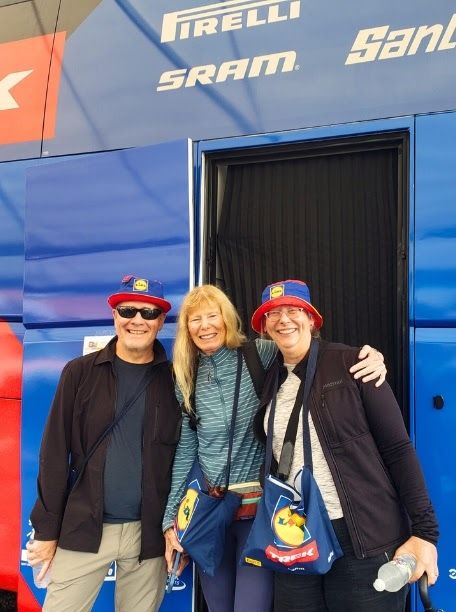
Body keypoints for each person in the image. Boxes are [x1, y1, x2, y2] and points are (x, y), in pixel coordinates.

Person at [162, 284, 387, 612]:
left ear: (227, 319)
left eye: (212, 316)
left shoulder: (260, 354)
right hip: (208, 513)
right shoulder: (186, 374)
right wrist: (171, 519)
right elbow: (186, 450)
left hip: (258, 515)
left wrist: (371, 357)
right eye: (195, 319)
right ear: (186, 328)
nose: (205, 325)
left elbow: (312, 355)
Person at [250, 279, 439, 612]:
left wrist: (425, 533)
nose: (284, 320)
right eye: (273, 314)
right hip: (295, 535)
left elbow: (398, 448)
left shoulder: (354, 364)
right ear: (265, 328)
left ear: (312, 319)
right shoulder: (270, 378)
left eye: (293, 310)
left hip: (360, 537)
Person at [27, 275, 182, 612]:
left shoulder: (175, 381)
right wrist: (47, 529)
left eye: (148, 312)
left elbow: (186, 455)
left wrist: (175, 525)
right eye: (128, 310)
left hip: (149, 534)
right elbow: (53, 454)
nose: (137, 320)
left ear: (160, 321)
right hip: (84, 527)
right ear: (115, 316)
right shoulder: (79, 372)